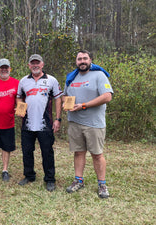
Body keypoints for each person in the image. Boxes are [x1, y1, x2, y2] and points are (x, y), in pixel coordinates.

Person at [63, 50, 113, 198]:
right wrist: (67, 103)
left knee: (97, 155)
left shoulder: (99, 75)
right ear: (76, 61)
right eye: (79, 59)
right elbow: (65, 95)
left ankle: (102, 184)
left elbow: (107, 96)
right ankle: (78, 180)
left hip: (94, 123)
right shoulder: (72, 77)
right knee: (78, 152)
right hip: (75, 122)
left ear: (90, 60)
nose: (82, 61)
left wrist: (84, 105)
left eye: (85, 58)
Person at [16, 54, 63, 192]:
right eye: (32, 63)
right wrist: (20, 110)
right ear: (29, 65)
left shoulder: (51, 80)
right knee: (27, 151)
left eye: (38, 63)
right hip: (27, 124)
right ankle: (29, 176)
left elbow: (58, 99)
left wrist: (58, 119)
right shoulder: (23, 81)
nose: (35, 65)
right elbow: (19, 97)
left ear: (42, 64)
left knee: (47, 152)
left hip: (46, 123)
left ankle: (49, 179)